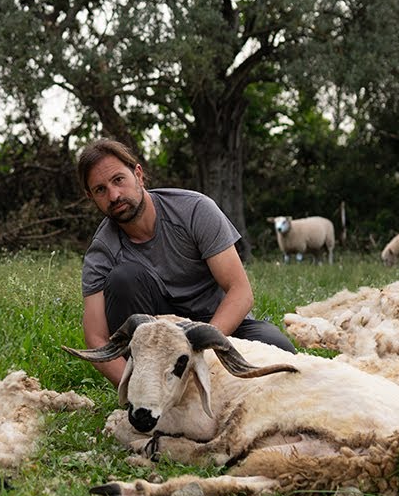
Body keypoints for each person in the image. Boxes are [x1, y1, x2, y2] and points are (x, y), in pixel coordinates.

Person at [78, 138, 296, 385]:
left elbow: (240, 292)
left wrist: (200, 349)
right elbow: (96, 337)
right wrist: (135, 390)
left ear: (138, 175)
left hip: (221, 324)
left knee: (283, 354)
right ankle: (157, 386)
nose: (114, 195)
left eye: (119, 180)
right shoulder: (101, 252)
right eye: (100, 189)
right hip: (158, 341)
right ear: (91, 197)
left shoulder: (194, 209)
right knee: (123, 278)